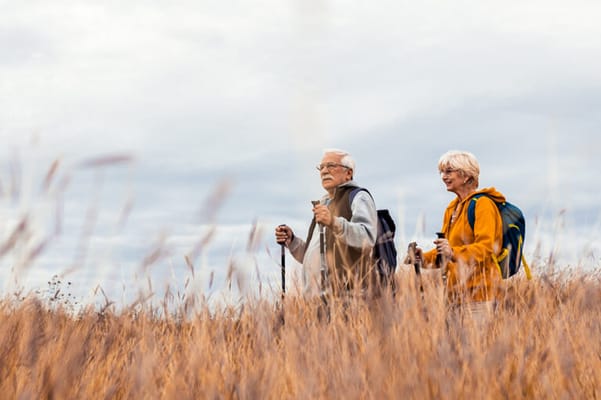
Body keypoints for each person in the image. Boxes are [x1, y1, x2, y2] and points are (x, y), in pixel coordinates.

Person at [413, 150, 505, 322]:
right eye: (442, 172)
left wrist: (453, 253)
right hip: (455, 297)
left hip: (481, 296)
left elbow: (486, 248)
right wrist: (422, 258)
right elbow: (445, 252)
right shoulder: (452, 209)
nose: (443, 176)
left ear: (466, 176)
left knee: (475, 348)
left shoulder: (483, 205)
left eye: (448, 171)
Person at [275, 149, 378, 298]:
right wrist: (292, 241)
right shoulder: (324, 204)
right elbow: (313, 257)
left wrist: (333, 222)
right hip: (316, 302)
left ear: (348, 173)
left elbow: (367, 238)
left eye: (330, 166)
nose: (324, 171)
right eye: (321, 167)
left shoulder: (359, 197)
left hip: (348, 299)